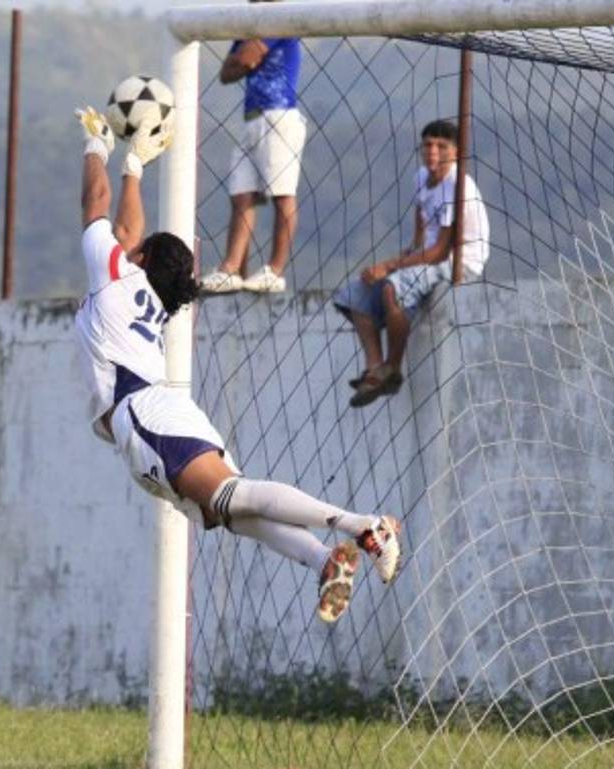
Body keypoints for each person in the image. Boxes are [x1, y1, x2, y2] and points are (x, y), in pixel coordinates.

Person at [73, 104, 399, 623]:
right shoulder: (146, 295)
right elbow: (130, 230)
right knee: (230, 510)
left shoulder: (116, 278)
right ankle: (323, 561)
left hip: (144, 413)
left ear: (139, 261)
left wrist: (98, 149)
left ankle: (360, 526)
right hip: (161, 410)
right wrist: (134, 163)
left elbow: (97, 206)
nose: (124, 242)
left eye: (133, 248)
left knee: (232, 497)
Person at [332, 120, 489, 408]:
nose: (433, 151)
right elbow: (421, 221)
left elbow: (441, 251)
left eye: (442, 146)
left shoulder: (457, 185)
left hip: (459, 261)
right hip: (428, 257)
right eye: (428, 144)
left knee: (393, 287)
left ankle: (392, 367)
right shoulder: (421, 177)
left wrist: (392, 266)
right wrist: (409, 252)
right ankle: (375, 366)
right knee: (355, 294)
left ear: (455, 152)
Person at [200, 0, 305, 295]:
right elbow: (228, 71)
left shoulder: (279, 20)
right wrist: (245, 57)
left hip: (279, 114)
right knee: (242, 194)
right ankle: (232, 267)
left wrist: (246, 58)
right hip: (251, 118)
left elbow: (245, 61)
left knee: (282, 193)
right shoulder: (248, 29)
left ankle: (275, 269)